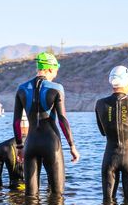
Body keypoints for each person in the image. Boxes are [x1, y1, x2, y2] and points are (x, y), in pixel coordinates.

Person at [13, 52, 80, 196]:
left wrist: (19, 147)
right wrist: (72, 146)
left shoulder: (22, 88)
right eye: (56, 70)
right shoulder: (56, 88)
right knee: (57, 194)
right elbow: (62, 120)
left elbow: (17, 122)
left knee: (30, 196)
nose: (56, 74)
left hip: (31, 144)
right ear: (50, 69)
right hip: (51, 143)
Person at [95, 66, 128, 202]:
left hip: (110, 157)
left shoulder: (100, 104)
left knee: (107, 204)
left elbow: (102, 132)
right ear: (127, 82)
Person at [0, 110, 29, 190]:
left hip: (13, 191)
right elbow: (51, 176)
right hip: (32, 192)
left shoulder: (2, 147)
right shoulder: (37, 144)